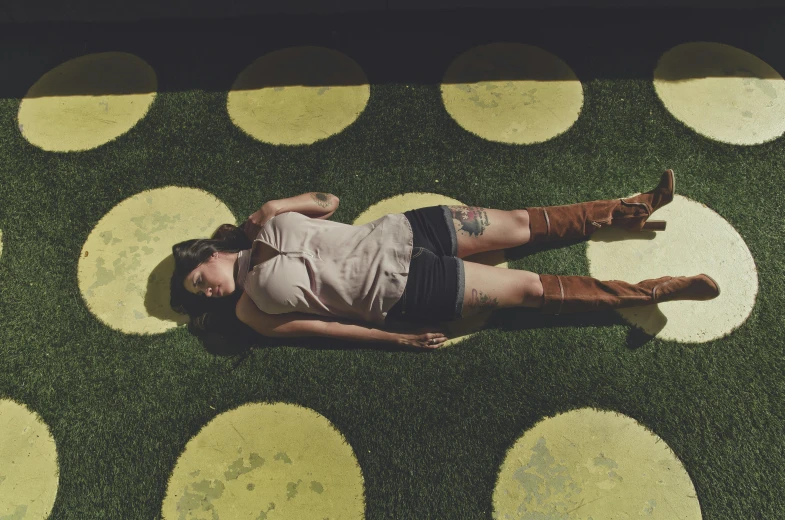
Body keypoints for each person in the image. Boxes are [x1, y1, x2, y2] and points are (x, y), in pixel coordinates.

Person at [170, 170, 719, 350]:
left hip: (407, 228)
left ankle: (628, 209)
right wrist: (397, 339)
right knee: (527, 287)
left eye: (200, 279)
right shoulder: (249, 310)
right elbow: (322, 328)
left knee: (522, 223)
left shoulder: (266, 221)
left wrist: (272, 206)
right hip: (404, 290)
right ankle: (650, 292)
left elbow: (329, 204)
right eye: (200, 294)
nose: (208, 290)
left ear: (211, 253)